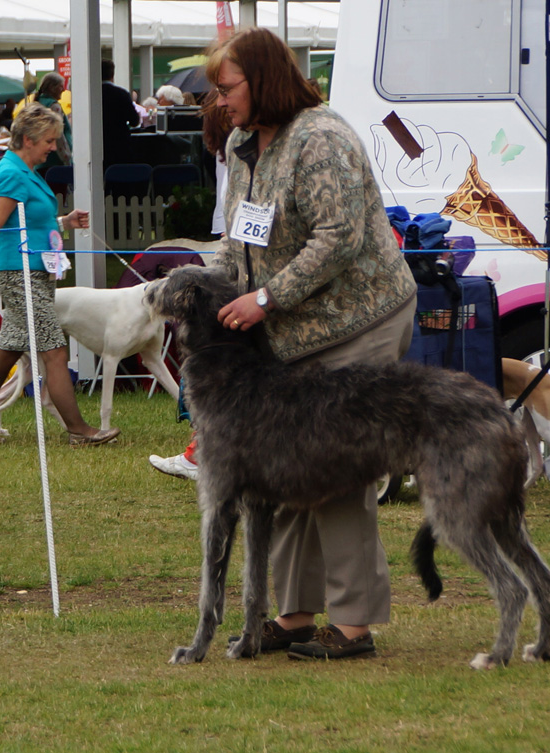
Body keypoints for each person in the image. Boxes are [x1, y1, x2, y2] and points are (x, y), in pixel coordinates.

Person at [185, 28, 417, 660]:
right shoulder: (241, 143)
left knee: (334, 468)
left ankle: (353, 624)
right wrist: (216, 289)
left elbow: (338, 238)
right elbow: (238, 236)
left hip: (358, 319)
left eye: (227, 88)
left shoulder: (321, 138)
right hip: (290, 330)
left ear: (263, 79)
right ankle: (291, 616)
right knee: (281, 466)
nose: (219, 101)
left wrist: (265, 298)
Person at [0, 103, 120, 446]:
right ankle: (79, 430)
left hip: (35, 270)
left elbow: (28, 225)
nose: (53, 147)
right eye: (49, 140)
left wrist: (65, 222)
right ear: (27, 139)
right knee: (55, 350)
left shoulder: (24, 170)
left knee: (8, 351)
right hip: (20, 274)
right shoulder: (12, 173)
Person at [148, 90, 233, 480]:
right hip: (232, 245)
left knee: (214, 358)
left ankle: (200, 452)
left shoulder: (233, 147)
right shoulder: (236, 148)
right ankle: (200, 450)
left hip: (232, 247)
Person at [101, 59, 140, 169]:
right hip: (120, 147)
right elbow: (134, 121)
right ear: (112, 74)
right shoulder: (121, 94)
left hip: (97, 148)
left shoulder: (90, 95)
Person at [33, 72, 72, 174]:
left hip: (39, 160)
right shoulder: (54, 106)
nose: (63, 90)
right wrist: (66, 157)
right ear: (52, 88)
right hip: (55, 161)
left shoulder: (37, 104)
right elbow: (58, 135)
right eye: (60, 86)